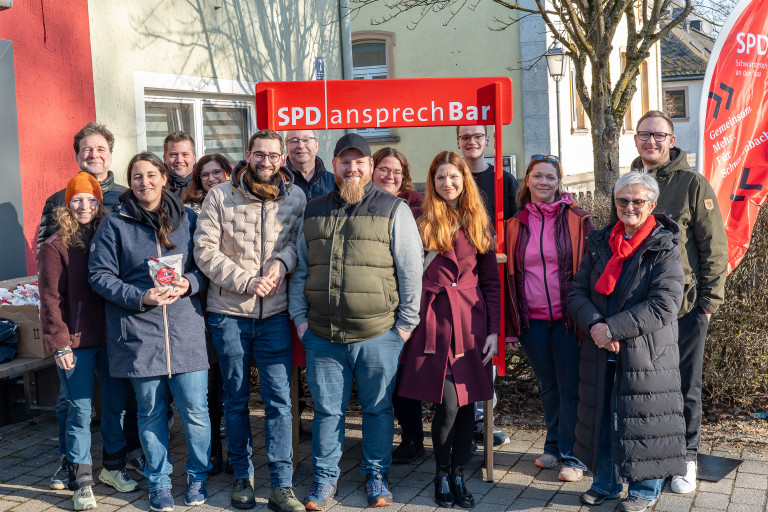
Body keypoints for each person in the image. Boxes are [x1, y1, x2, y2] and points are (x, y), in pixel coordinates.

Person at [288, 133, 422, 510]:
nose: (352, 168)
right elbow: (300, 270)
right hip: (322, 335)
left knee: (378, 409)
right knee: (328, 412)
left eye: (359, 162)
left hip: (379, 333)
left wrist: (403, 328)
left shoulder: (394, 210)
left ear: (368, 166)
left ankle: (376, 475)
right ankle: (325, 479)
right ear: (334, 166)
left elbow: (411, 271)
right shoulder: (312, 210)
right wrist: (300, 320)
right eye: (345, 162)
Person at [89, 152, 211, 512]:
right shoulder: (114, 224)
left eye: (151, 175)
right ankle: (159, 482)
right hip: (140, 336)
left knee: (195, 412)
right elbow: (99, 276)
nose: (145, 182)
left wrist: (188, 284)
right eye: (137, 176)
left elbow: (206, 268)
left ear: (162, 177)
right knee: (151, 414)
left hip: (185, 330)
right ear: (131, 182)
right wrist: (140, 295)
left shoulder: (187, 219)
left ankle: (198, 475)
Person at [194, 130, 306, 512]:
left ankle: (281, 484)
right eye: (260, 154)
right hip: (229, 315)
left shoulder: (296, 198)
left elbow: (298, 245)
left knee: (279, 402)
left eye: (274, 155)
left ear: (282, 159)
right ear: (247, 155)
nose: (267, 161)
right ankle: (243, 476)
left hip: (274, 315)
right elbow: (204, 252)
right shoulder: (219, 195)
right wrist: (246, 281)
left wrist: (282, 262)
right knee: (236, 399)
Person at [568, 171, 686, 512]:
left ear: (651, 204)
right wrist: (596, 327)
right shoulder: (599, 242)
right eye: (623, 200)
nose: (630, 206)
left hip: (646, 353)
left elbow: (665, 304)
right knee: (603, 418)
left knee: (643, 420)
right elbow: (577, 291)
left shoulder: (664, 246)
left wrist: (613, 329)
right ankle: (605, 483)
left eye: (637, 201)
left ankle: (644, 490)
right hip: (600, 347)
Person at [36, 122, 143, 490]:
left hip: (114, 330)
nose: (93, 154)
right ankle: (74, 468)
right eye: (86, 149)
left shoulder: (120, 210)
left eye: (99, 149)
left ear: (110, 153)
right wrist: (59, 340)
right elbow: (49, 292)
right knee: (77, 405)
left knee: (116, 403)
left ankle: (116, 462)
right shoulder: (55, 233)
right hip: (76, 336)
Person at [627, 110, 727, 493]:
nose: (651, 141)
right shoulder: (632, 182)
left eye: (659, 135)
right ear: (635, 139)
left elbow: (713, 247)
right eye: (644, 134)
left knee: (685, 383)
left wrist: (707, 304)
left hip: (685, 307)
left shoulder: (691, 184)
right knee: (650, 385)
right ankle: (655, 457)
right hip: (641, 309)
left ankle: (686, 455)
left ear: (671, 140)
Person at [398, 151, 500, 508]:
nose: (447, 183)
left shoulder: (478, 219)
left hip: (472, 320)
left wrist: (494, 331)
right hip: (437, 318)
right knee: (450, 403)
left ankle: (458, 473)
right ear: (432, 181)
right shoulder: (419, 217)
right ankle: (441, 475)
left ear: (464, 179)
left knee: (468, 401)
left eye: (453, 177)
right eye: (440, 177)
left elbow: (490, 280)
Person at [503, 155, 593, 482]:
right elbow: (508, 278)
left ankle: (573, 455)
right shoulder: (514, 225)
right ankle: (553, 446)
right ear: (527, 180)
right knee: (548, 386)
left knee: (570, 387)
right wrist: (511, 327)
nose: (543, 182)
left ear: (559, 182)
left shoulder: (578, 220)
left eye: (550, 177)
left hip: (569, 320)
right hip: (533, 322)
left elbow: (591, 270)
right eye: (537, 176)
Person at [456, 124, 519, 447]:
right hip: (459, 277)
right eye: (465, 137)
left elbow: (514, 226)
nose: (472, 142)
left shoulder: (503, 181)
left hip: (490, 276)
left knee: (487, 350)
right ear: (458, 142)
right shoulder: (453, 178)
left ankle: (484, 420)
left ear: (487, 141)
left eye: (477, 137)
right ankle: (463, 418)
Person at [371, 147, 425, 464]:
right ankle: (381, 438)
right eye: (384, 169)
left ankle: (413, 438)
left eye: (397, 172)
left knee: (404, 375)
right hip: (373, 303)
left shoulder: (416, 207)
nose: (390, 176)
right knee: (382, 378)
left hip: (404, 301)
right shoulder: (359, 202)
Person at [181, 153, 233, 475]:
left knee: (232, 387)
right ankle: (213, 451)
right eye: (205, 175)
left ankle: (235, 451)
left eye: (218, 173)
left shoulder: (240, 203)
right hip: (201, 306)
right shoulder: (189, 214)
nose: (212, 179)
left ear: (229, 173)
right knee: (211, 385)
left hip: (232, 303)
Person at [284, 130, 335, 201]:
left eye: (306, 140)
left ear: (316, 146)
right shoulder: (278, 182)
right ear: (286, 148)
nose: (301, 146)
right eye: (294, 141)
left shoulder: (334, 183)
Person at [163, 131, 197, 198]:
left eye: (185, 155)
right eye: (173, 155)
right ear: (165, 159)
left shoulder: (204, 183)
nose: (179, 160)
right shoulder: (156, 187)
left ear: (194, 158)